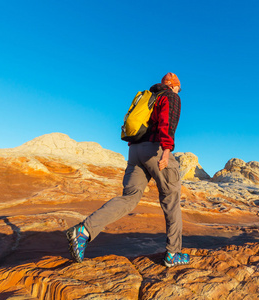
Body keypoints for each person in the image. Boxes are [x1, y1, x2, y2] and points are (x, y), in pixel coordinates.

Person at [66, 72, 190, 267]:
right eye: (178, 87)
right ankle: (173, 253)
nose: (178, 91)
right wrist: (166, 151)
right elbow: (168, 122)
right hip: (155, 150)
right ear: (173, 85)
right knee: (171, 200)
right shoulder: (170, 96)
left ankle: (84, 231)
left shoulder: (148, 97)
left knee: (129, 198)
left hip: (135, 151)